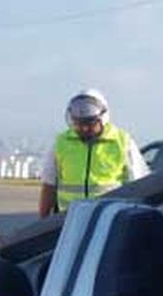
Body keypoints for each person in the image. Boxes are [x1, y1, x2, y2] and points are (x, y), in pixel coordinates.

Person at [38, 89, 149, 218]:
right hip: (69, 220)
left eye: (90, 123)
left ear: (103, 118)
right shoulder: (61, 143)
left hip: (108, 220)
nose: (84, 129)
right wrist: (43, 223)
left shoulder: (122, 142)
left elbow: (139, 185)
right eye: (78, 124)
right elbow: (49, 185)